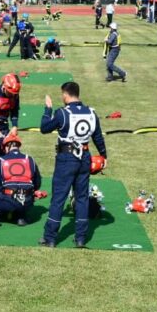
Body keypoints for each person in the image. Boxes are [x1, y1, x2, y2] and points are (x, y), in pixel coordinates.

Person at [39, 82, 107, 248]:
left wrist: (48, 109)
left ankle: (50, 237)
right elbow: (98, 137)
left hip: (66, 158)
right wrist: (104, 156)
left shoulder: (63, 113)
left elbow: (44, 128)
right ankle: (81, 238)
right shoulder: (92, 113)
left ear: (65, 95)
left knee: (58, 198)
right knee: (82, 197)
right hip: (85, 156)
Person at [0, 135, 42, 231]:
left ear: (7, 147)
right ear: (18, 146)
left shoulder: (1, 161)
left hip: (9, 198)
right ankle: (21, 217)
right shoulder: (30, 159)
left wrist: (1, 197)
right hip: (27, 199)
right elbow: (37, 182)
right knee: (23, 204)